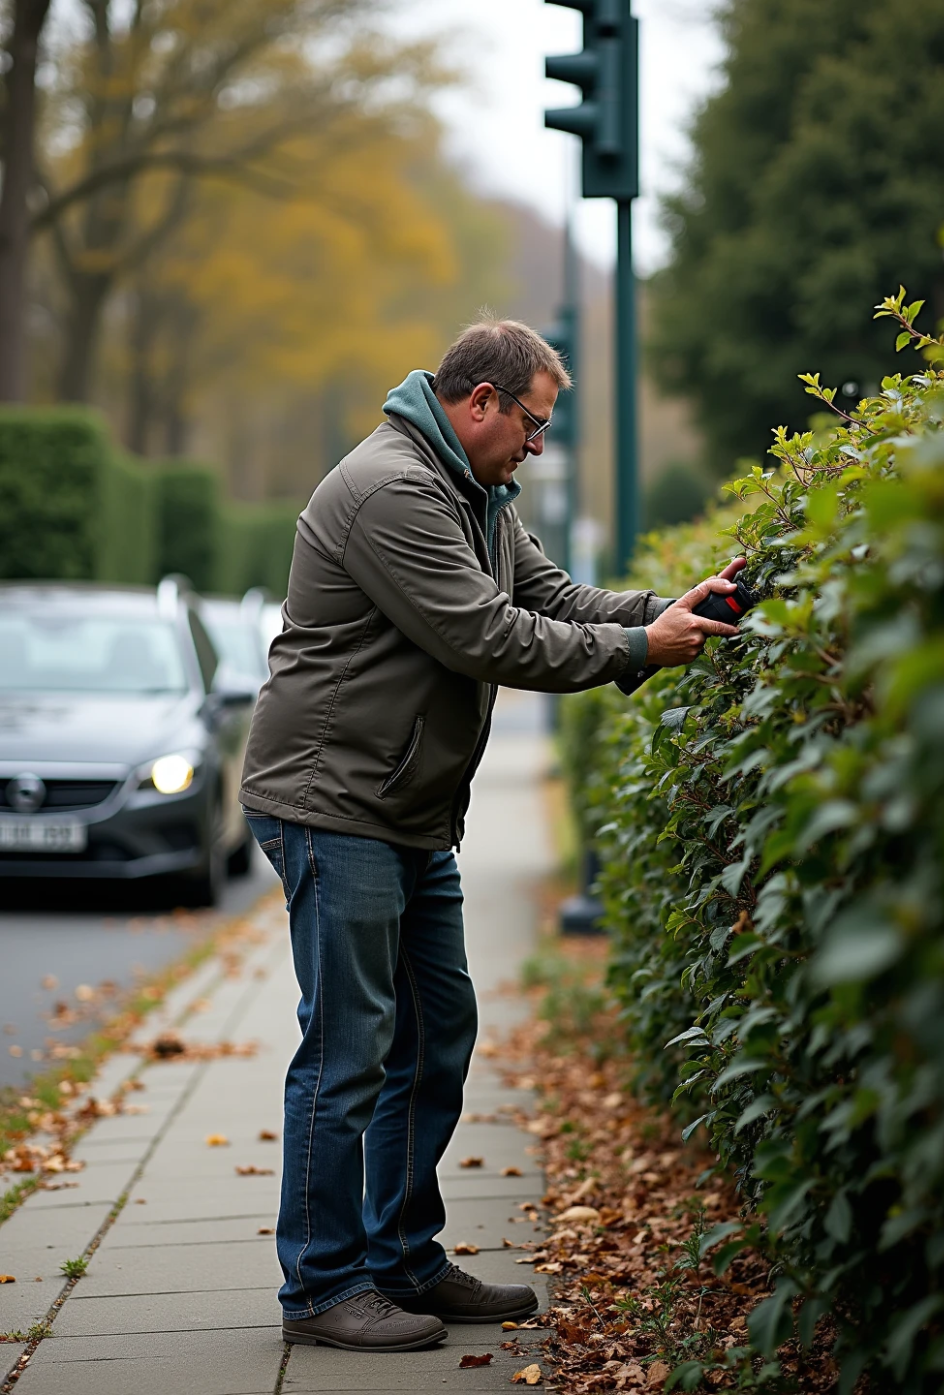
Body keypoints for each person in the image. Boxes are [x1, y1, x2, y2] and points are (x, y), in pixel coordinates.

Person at [239, 318, 743, 1353]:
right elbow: (486, 633)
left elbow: (549, 598)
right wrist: (637, 647)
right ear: (479, 402)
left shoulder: (475, 493)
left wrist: (664, 614)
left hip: (402, 805)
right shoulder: (395, 490)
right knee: (348, 1050)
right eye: (533, 422)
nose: (538, 445)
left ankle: (402, 1261)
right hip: (333, 801)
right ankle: (320, 1289)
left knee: (436, 1035)